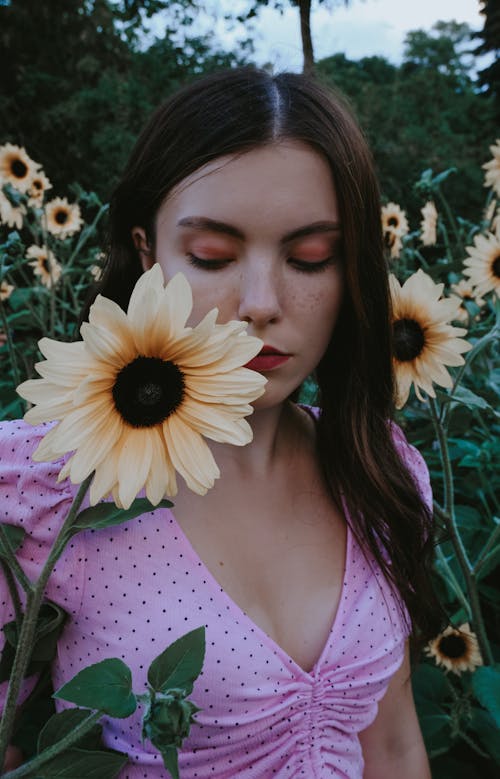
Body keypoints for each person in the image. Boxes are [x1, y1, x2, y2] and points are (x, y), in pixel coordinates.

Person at [0, 67, 441, 778]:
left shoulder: (378, 469)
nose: (259, 302)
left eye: (310, 257)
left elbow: (390, 743)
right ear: (147, 252)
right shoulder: (52, 488)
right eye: (213, 256)